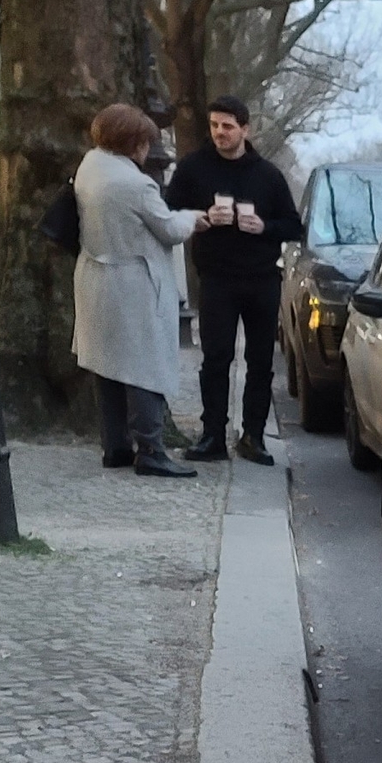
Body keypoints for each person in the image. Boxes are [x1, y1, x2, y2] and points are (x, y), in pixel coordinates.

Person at [163, 95, 301, 464]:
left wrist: (264, 227)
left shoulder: (267, 175)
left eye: (227, 126)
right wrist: (199, 216)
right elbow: (166, 209)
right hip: (216, 277)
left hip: (261, 279)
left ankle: (253, 435)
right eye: (214, 126)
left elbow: (293, 225)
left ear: (245, 129)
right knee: (216, 357)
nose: (220, 133)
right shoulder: (194, 168)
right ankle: (213, 435)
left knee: (260, 360)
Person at [74, 102, 203, 478]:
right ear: (134, 143)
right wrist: (192, 217)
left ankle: (115, 446)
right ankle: (150, 449)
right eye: (145, 141)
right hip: (134, 282)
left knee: (107, 365)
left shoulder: (89, 167)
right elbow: (170, 229)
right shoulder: (135, 183)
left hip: (95, 276)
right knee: (144, 367)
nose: (148, 149)